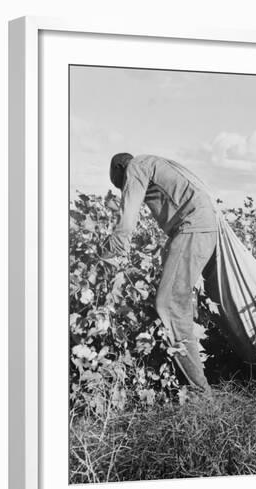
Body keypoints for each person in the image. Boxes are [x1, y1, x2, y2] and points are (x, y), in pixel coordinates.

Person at [105, 152, 224, 393]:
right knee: (182, 300)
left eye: (121, 184)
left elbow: (127, 219)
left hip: (193, 228)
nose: (124, 189)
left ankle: (200, 393)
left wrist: (109, 252)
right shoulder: (155, 163)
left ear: (119, 168)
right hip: (204, 228)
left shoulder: (135, 167)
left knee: (169, 304)